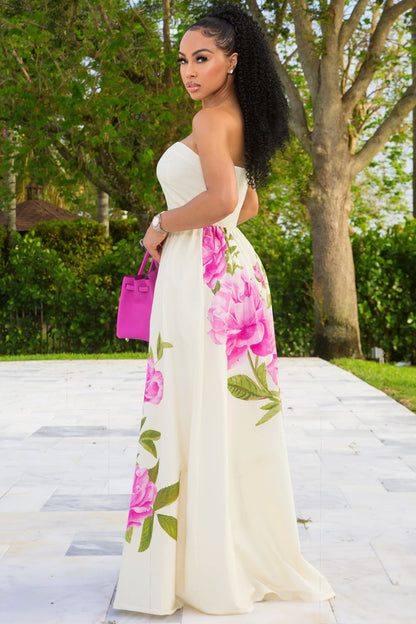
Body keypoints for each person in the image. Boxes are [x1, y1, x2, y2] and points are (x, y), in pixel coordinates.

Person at [114, 3, 334, 616]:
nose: (189, 70)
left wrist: (161, 223)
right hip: (232, 272)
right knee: (220, 412)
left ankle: (195, 566)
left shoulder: (211, 120)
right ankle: (224, 556)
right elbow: (247, 207)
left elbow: (217, 200)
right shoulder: (240, 120)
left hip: (202, 278)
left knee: (193, 404)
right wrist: (200, 231)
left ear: (232, 62)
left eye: (202, 58)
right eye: (184, 60)